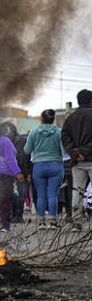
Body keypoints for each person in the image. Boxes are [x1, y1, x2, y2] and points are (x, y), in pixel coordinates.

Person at [24, 109, 65, 230]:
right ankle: (52, 221)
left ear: (41, 119)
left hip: (39, 166)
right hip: (56, 165)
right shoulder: (59, 132)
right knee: (53, 195)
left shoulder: (34, 132)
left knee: (41, 195)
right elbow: (64, 150)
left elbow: (27, 150)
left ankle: (41, 221)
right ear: (53, 119)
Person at [61, 89, 92, 232]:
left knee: (77, 191)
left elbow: (64, 137)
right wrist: (84, 153)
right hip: (90, 158)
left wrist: (74, 152)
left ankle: (77, 223)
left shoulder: (70, 118)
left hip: (77, 162)